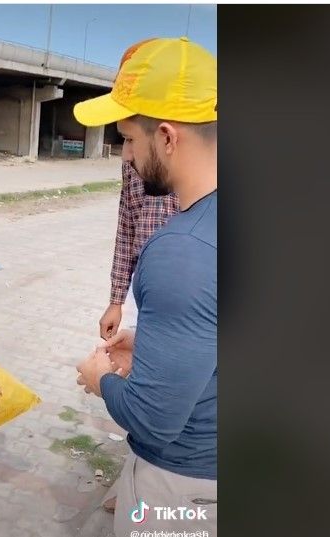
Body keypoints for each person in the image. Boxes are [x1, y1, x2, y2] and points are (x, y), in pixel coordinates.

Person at [74, 37, 217, 536]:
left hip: (181, 488)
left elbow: (153, 419)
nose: (127, 158)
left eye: (129, 141)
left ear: (167, 136)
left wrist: (100, 379)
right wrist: (159, 343)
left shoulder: (182, 249)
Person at [99, 160, 179, 340]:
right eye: (125, 139)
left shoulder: (198, 157)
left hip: (187, 287)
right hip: (143, 287)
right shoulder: (130, 163)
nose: (126, 154)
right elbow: (125, 232)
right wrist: (116, 302)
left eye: (131, 139)